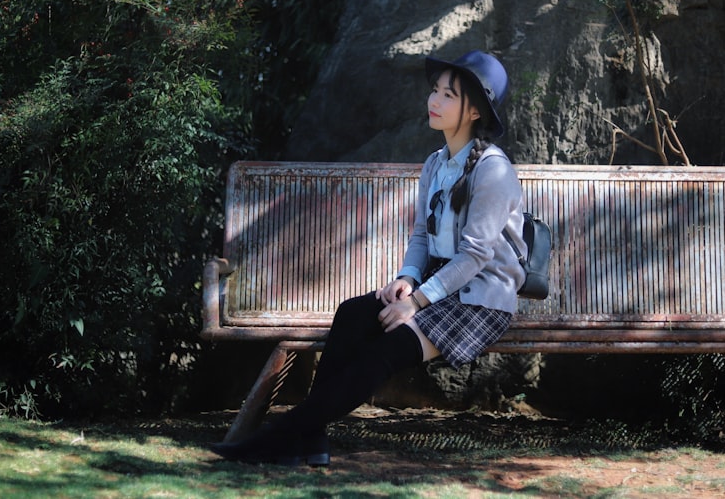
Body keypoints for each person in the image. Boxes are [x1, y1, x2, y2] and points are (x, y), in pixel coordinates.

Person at [209, 50, 526, 466]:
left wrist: (415, 302)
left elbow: (475, 256)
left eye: (449, 95)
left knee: (384, 351)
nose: (435, 100)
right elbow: (420, 234)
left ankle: (277, 438)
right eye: (435, 90)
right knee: (353, 314)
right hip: (438, 288)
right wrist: (408, 278)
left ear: (474, 111)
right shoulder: (435, 164)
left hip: (478, 300)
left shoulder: (493, 171)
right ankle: (311, 440)